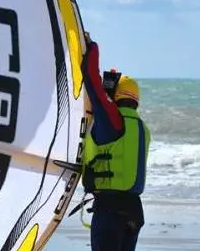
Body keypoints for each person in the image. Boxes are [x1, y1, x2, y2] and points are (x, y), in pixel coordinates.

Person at [80, 31, 151, 251]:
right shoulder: (140, 127)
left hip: (111, 211)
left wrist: (91, 47)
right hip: (133, 211)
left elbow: (92, 81)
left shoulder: (113, 119)